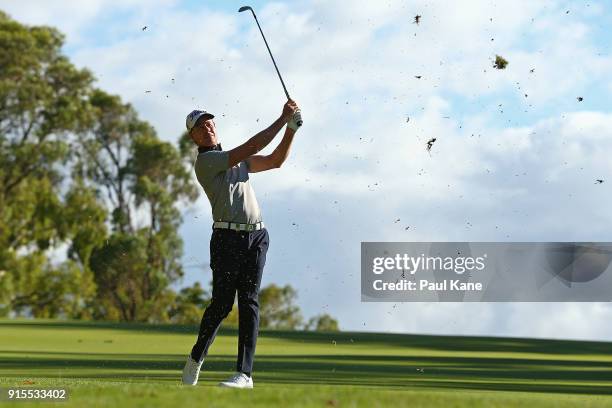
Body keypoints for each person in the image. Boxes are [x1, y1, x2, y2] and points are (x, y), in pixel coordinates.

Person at [181, 99, 301, 389]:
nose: (207, 127)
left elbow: (275, 161)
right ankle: (197, 357)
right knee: (222, 304)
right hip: (226, 237)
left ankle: (244, 374)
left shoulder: (235, 160)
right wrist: (282, 118)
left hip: (257, 236)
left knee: (249, 302)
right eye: (200, 126)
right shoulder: (207, 162)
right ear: (193, 137)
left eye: (209, 122)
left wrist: (291, 131)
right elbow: (253, 147)